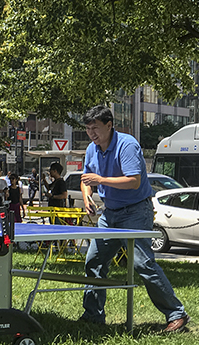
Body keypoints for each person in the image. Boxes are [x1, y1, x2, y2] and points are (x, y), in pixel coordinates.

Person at [79, 104, 189, 332]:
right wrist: (87, 195)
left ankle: (176, 314)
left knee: (142, 263)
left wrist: (100, 180)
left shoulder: (127, 145)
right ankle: (93, 315)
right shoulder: (92, 148)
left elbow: (134, 181)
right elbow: (86, 178)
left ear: (109, 125)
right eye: (88, 129)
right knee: (94, 261)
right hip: (109, 214)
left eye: (95, 128)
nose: (92, 134)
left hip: (136, 211)